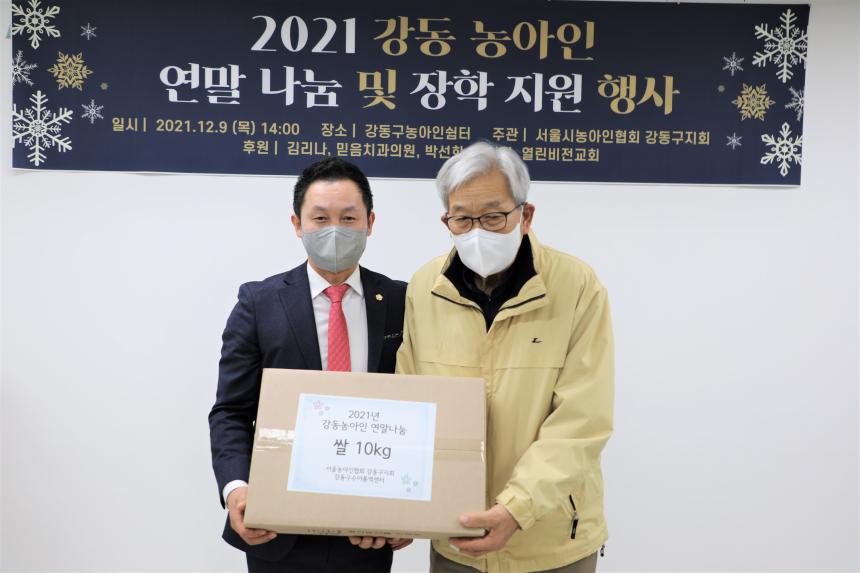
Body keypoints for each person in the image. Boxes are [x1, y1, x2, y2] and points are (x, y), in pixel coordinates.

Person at [396, 142, 614, 573]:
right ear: (446, 221)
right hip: (457, 538)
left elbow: (582, 420)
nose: (477, 232)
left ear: (525, 215)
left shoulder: (576, 287)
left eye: (494, 216)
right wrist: (400, 508)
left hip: (551, 541)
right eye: (462, 218)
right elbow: (409, 406)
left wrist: (516, 508)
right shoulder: (425, 288)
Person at [209, 157, 412, 573]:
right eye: (320, 218)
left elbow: (416, 410)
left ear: (370, 222)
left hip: (369, 526)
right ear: (297, 224)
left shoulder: (401, 302)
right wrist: (237, 488)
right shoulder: (258, 303)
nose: (334, 230)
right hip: (275, 527)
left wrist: (409, 508)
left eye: (348, 218)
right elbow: (231, 411)